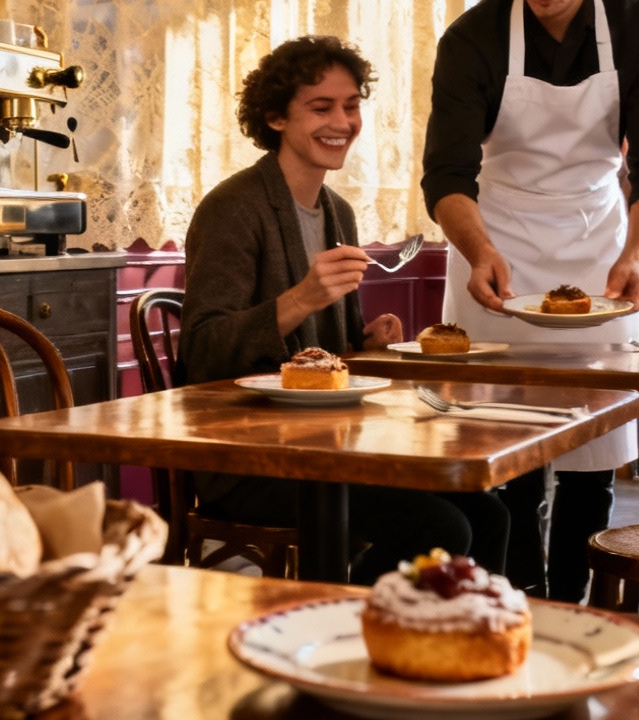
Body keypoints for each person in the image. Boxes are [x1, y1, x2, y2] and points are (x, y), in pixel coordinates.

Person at [421, 0, 639, 603]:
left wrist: (636, 255)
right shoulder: (473, 38)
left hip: (598, 246)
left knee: (590, 455)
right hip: (494, 242)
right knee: (500, 455)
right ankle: (513, 601)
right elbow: (445, 174)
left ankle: (571, 602)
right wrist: (479, 252)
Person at [181, 35, 510, 585]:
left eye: (351, 105)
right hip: (250, 457)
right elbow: (203, 348)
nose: (342, 121)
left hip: (327, 442)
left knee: (490, 514)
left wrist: (365, 342)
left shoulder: (337, 210)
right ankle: (342, 618)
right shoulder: (232, 207)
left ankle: (464, 625)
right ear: (275, 118)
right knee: (439, 528)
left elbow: (324, 357)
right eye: (321, 107)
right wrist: (300, 298)